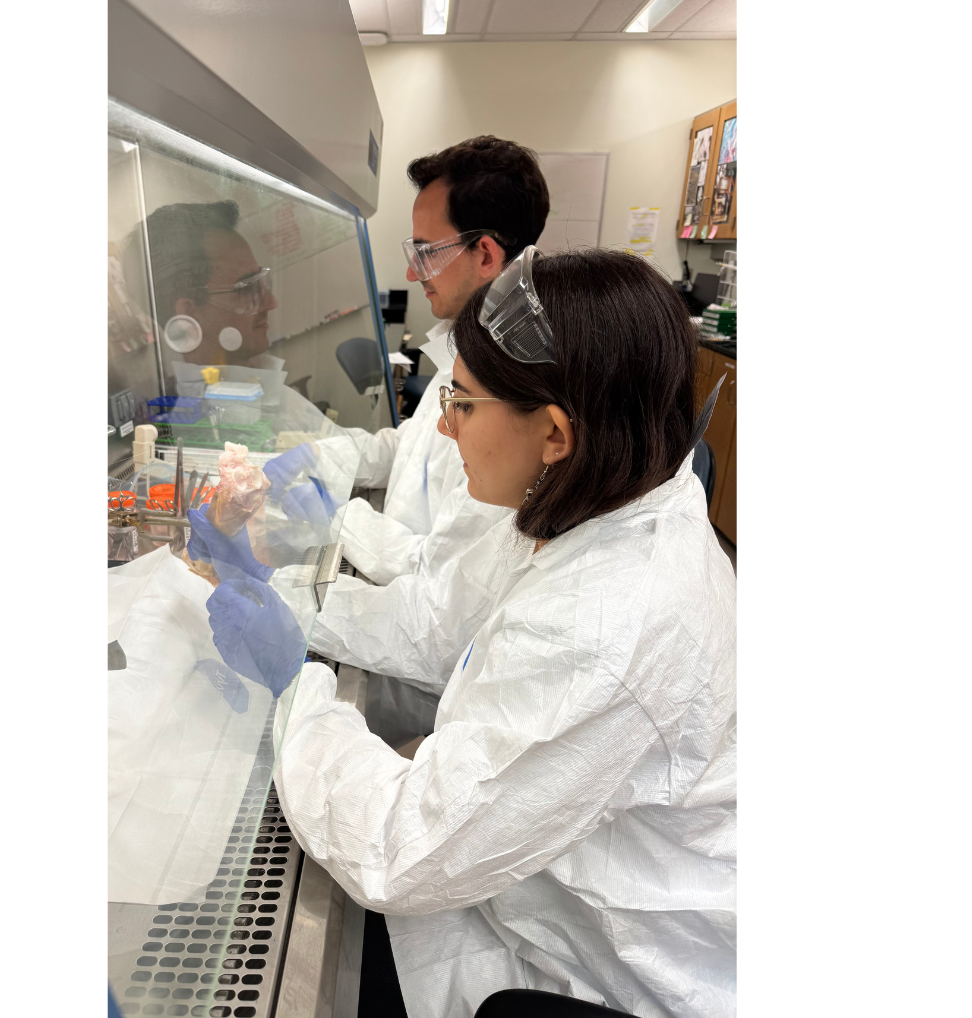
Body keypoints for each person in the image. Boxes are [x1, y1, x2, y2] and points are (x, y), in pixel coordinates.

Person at [269, 248, 737, 1018]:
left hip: (607, 974)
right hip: (552, 874)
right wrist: (293, 604)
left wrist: (296, 689)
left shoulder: (607, 621)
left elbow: (402, 851)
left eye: (465, 403)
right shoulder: (598, 499)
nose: (446, 427)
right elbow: (448, 619)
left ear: (554, 433)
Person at [295, 135, 550, 747]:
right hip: (398, 643)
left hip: (428, 701)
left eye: (425, 251)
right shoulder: (467, 347)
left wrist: (335, 516)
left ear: (485, 253)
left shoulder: (518, 392)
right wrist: (319, 458)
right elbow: (409, 446)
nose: (412, 271)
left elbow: (445, 602)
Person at [123, 200, 282, 369]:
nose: (272, 303)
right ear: (189, 313)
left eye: (262, 282)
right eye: (247, 288)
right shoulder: (225, 394)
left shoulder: (267, 388)